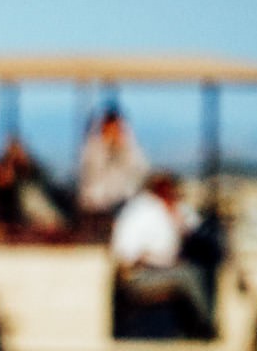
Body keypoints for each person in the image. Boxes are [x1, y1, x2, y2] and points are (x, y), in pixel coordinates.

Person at [111, 170, 212, 333]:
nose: (171, 192)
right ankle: (206, 329)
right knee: (189, 275)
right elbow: (126, 254)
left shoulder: (173, 207)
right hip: (140, 276)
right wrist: (161, 261)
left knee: (194, 271)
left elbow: (195, 227)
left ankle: (194, 327)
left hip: (166, 270)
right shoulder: (141, 210)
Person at [77, 104, 149, 214]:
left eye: (116, 128)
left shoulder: (130, 149)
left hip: (125, 204)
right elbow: (89, 173)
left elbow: (142, 170)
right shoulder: (93, 149)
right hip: (98, 207)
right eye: (108, 128)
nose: (112, 132)